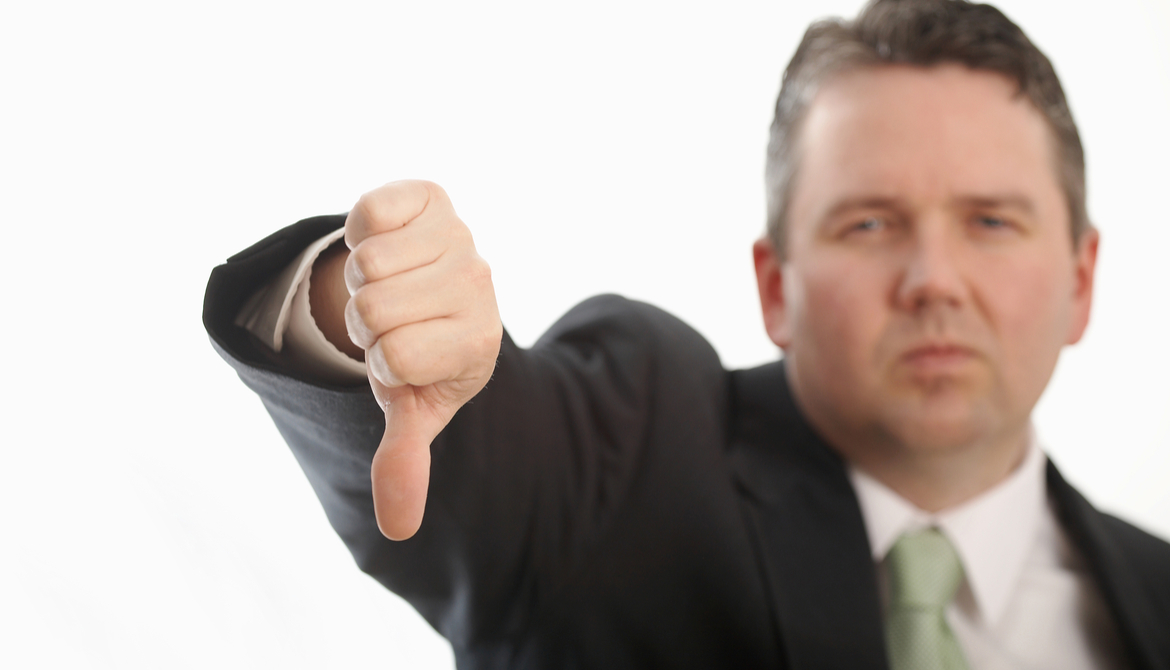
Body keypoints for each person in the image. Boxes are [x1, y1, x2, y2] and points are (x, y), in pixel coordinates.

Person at [204, 0, 1170, 668]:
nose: (933, 282)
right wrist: (364, 306)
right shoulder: (630, 453)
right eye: (868, 223)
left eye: (992, 222)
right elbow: (489, 459)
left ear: (1082, 283)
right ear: (775, 286)